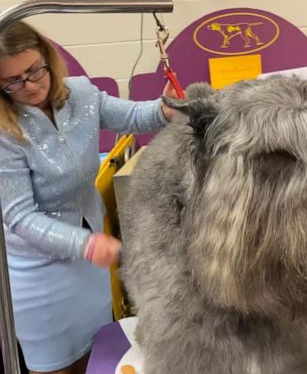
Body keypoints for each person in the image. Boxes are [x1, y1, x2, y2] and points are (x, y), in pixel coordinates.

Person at [0, 21, 176, 374]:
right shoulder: (5, 129)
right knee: (56, 367)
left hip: (89, 264)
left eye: (35, 71)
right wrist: (87, 244)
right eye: (13, 81)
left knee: (96, 358)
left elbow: (130, 116)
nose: (30, 86)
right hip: (39, 275)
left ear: (48, 58)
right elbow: (20, 217)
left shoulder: (80, 93)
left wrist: (165, 111)